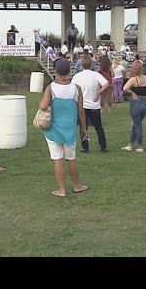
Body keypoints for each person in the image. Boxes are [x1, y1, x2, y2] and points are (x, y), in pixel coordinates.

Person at [38, 58, 89, 197]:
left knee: (57, 158)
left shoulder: (51, 88)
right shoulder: (76, 89)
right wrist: (84, 128)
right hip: (70, 129)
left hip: (53, 129)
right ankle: (76, 185)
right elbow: (81, 111)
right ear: (69, 71)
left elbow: (43, 106)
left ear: (56, 72)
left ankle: (61, 189)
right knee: (71, 158)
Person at [71, 54, 109, 153]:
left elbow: (73, 89)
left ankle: (85, 147)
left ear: (81, 64)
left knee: (83, 127)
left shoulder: (77, 76)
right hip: (94, 106)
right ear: (91, 63)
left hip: (82, 106)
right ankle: (103, 147)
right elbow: (106, 84)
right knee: (98, 127)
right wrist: (98, 93)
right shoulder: (95, 75)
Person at [122, 60, 146, 153]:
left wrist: (132, 93)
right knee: (136, 124)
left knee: (137, 125)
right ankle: (130, 144)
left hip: (136, 102)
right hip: (144, 103)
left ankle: (140, 146)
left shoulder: (133, 79)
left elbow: (125, 88)